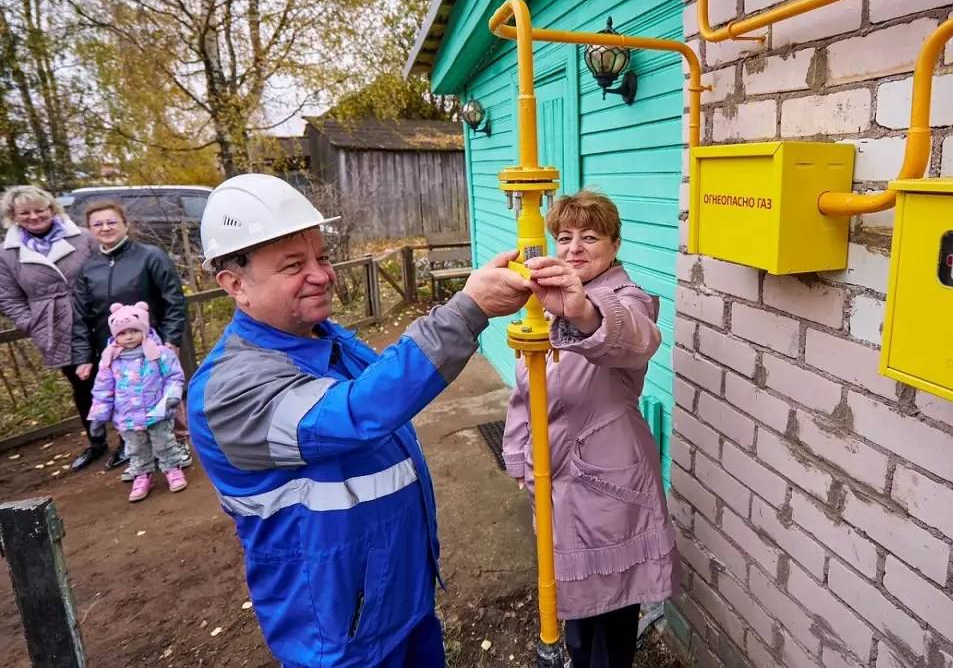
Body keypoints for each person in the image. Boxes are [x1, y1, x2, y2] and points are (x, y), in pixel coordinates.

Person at [187, 174, 530, 668]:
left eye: (322, 257)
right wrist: (468, 310)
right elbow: (360, 410)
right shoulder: (229, 391)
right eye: (293, 265)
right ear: (235, 284)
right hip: (339, 635)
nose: (322, 275)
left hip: (399, 600)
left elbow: (393, 373)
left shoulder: (320, 335)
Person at [502, 190, 681, 668]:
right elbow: (527, 390)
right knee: (574, 617)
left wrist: (582, 311)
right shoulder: (542, 307)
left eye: (590, 236)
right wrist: (521, 453)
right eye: (565, 237)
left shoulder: (625, 299)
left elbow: (639, 337)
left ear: (614, 245)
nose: (575, 247)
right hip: (555, 481)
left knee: (613, 620)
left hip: (608, 485)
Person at [72, 200, 188, 474]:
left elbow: (174, 299)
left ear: (125, 224)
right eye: (97, 224)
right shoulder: (89, 269)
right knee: (127, 399)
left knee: (165, 394)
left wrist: (171, 338)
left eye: (111, 221)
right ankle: (141, 456)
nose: (106, 228)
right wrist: (83, 356)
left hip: (154, 344)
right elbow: (82, 315)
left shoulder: (150, 256)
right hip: (114, 349)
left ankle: (178, 443)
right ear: (90, 230)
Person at [0, 185, 101, 470]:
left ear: (52, 209)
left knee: (117, 377)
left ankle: (131, 441)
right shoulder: (7, 253)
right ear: (14, 216)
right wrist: (31, 323)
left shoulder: (83, 238)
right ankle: (97, 441)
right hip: (53, 324)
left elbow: (106, 271)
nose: (34, 216)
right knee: (82, 386)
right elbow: (8, 297)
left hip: (94, 317)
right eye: (25, 212)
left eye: (39, 210)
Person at [87, 301, 188, 501]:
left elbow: (173, 377)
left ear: (145, 328)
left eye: (134, 330)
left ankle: (172, 469)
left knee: (164, 442)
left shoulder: (160, 353)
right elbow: (103, 389)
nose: (129, 336)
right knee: (136, 448)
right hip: (127, 416)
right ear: (115, 335)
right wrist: (98, 416)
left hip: (156, 411)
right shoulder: (110, 359)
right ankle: (142, 475)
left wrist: (172, 396)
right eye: (123, 333)